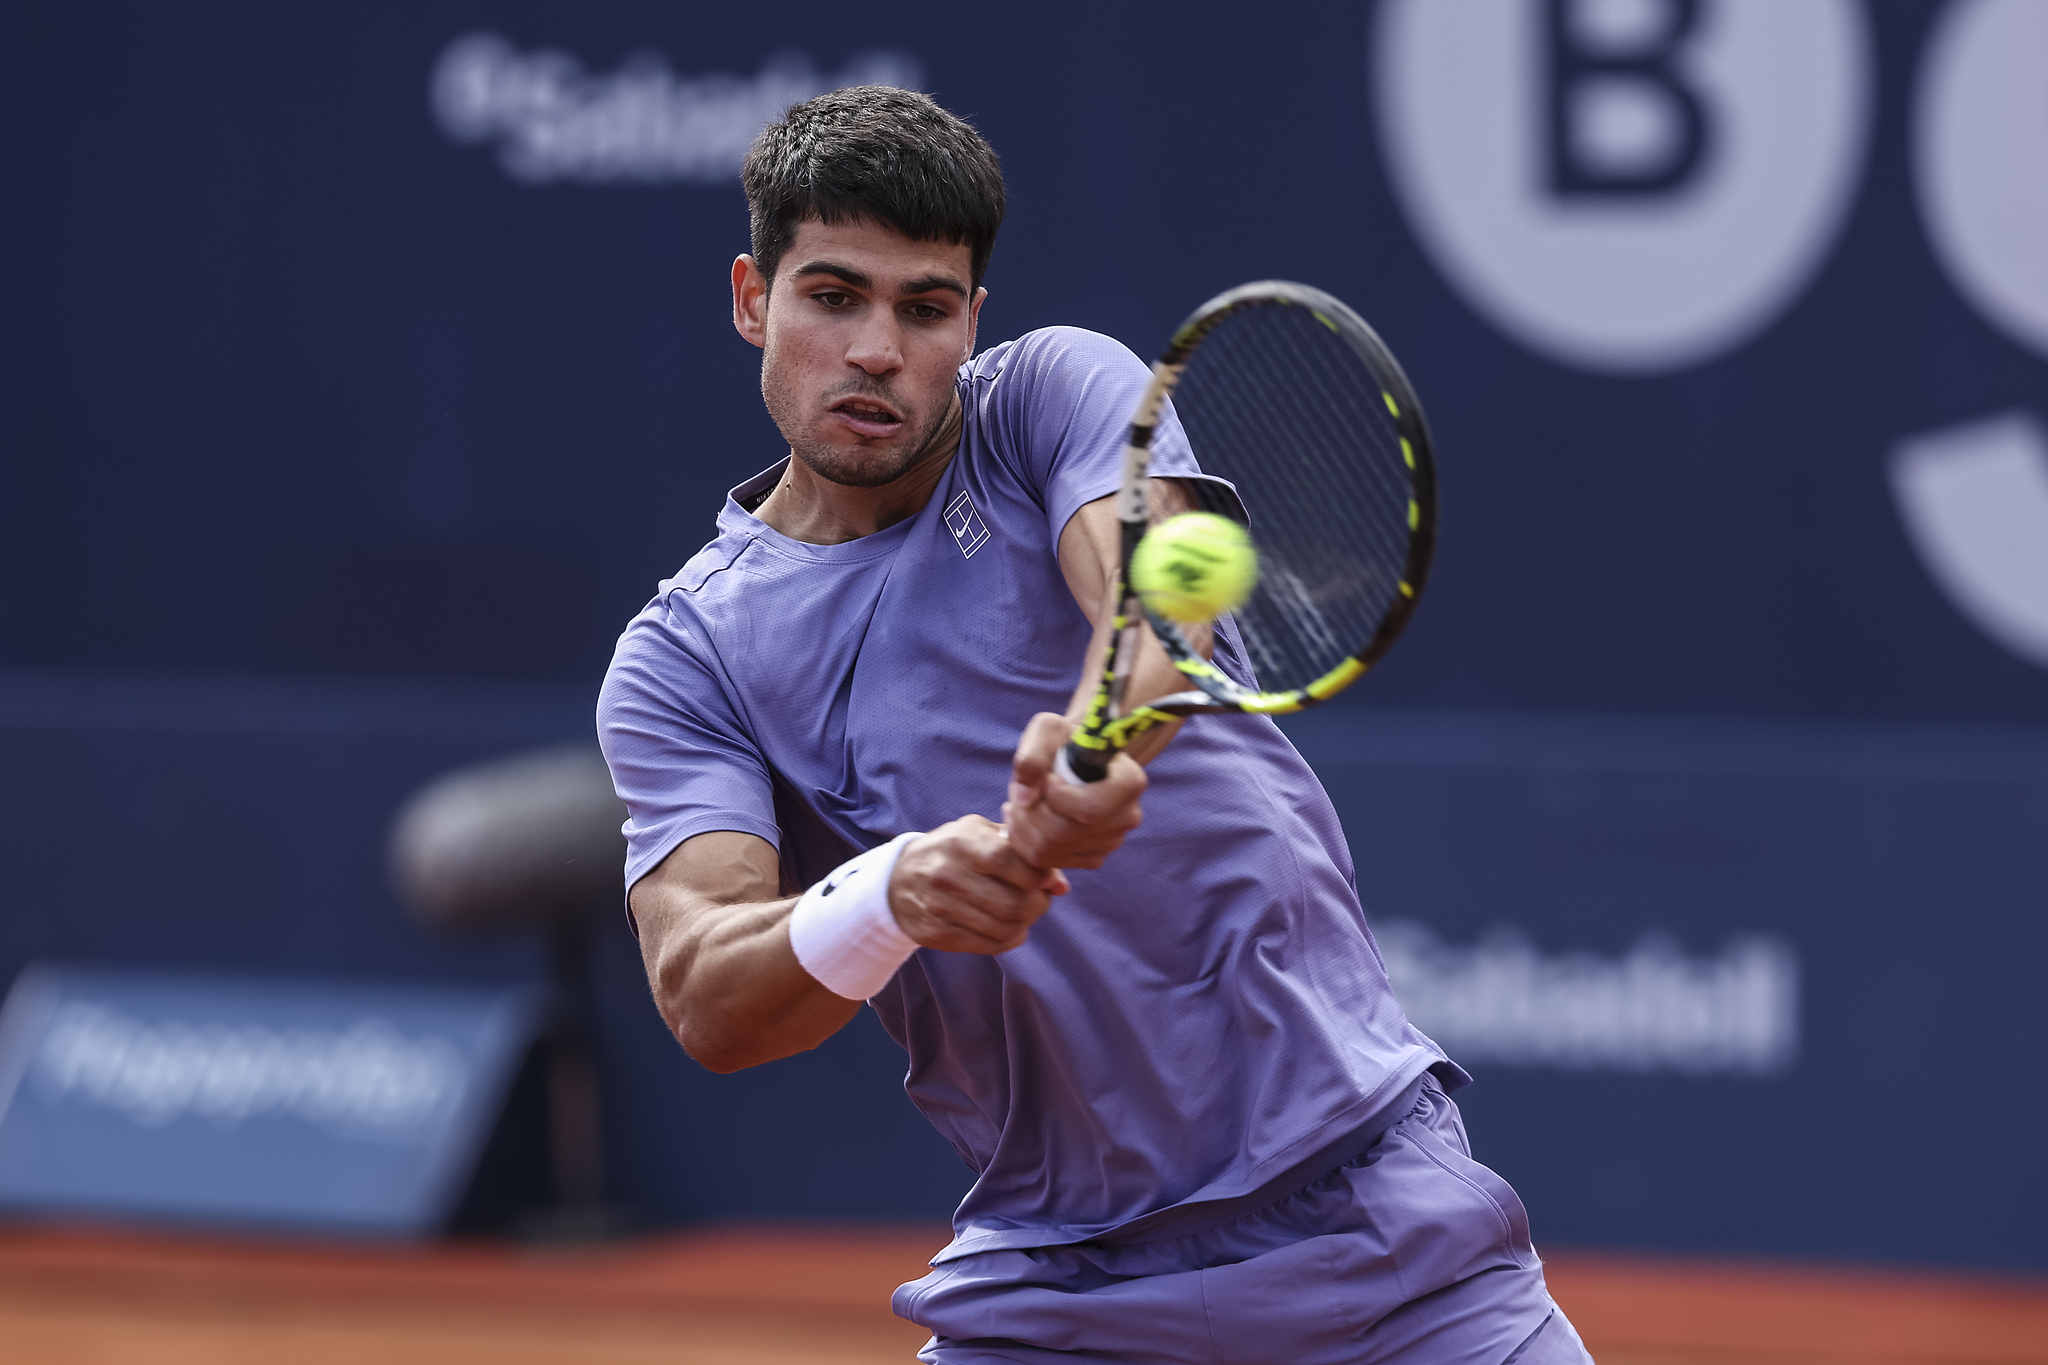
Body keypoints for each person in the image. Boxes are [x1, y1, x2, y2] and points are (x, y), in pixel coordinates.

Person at [597, 85, 1593, 1365]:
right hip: (1052, 1293)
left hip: (1382, 1237)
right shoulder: (688, 656)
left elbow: (1147, 600)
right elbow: (706, 996)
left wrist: (1095, 745)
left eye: (924, 308)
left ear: (972, 321)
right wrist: (891, 894)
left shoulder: (1050, 395)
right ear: (754, 299)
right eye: (831, 296)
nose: (875, 351)